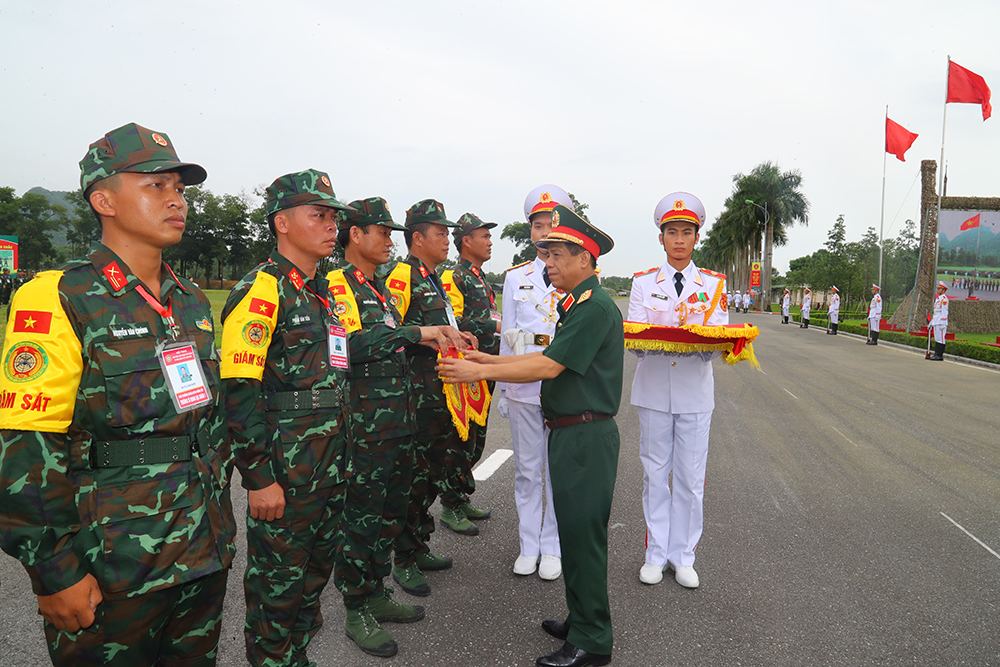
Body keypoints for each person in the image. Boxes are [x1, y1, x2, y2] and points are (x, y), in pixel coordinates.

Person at [0, 123, 236, 665]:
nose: (175, 198)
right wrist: (53, 571)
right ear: (103, 199)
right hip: (112, 564)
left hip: (203, 549)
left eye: (179, 187)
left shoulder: (191, 301)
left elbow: (206, 420)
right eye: (155, 185)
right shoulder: (60, 295)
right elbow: (26, 450)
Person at [439, 203, 620, 667]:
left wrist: (474, 372)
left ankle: (593, 641)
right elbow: (544, 359)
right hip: (570, 432)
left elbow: (547, 365)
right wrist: (484, 363)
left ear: (586, 258)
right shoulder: (576, 303)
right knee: (577, 533)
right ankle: (580, 619)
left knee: (583, 537)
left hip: (585, 436)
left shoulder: (594, 307)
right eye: (547, 253)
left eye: (559, 253)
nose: (550, 263)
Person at [220, 169, 352, 666]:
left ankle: (296, 654)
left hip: (330, 466)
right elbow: (239, 390)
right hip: (286, 473)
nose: (330, 225)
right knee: (278, 583)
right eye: (317, 214)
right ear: (282, 222)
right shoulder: (262, 289)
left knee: (315, 574)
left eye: (333, 216)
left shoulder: (322, 293)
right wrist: (258, 476)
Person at [328, 197, 466, 657]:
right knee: (362, 520)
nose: (390, 240)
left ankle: (376, 592)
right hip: (365, 427)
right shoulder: (338, 285)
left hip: (398, 422)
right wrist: (418, 333)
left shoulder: (378, 288)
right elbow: (349, 344)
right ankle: (355, 608)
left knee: (388, 516)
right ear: (356, 235)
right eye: (382, 231)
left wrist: (438, 334)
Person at [628, 192, 727, 592]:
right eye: (672, 232)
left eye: (687, 232)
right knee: (655, 476)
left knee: (690, 479)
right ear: (662, 238)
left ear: (696, 237)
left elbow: (718, 339)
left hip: (694, 393)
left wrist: (692, 337)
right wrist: (665, 334)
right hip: (653, 391)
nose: (680, 239)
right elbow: (634, 337)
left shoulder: (715, 284)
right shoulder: (642, 283)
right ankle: (655, 554)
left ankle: (683, 556)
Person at [386, 199, 478, 596]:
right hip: (416, 395)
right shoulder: (402, 275)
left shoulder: (434, 277)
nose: (447, 239)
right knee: (413, 478)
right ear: (418, 237)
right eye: (440, 233)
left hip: (440, 392)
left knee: (431, 475)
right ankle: (403, 558)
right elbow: (392, 334)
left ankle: (419, 544)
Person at [498, 184, 572, 581]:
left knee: (557, 471)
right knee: (527, 470)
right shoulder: (516, 278)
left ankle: (552, 546)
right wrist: (504, 387)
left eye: (551, 225)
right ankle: (529, 545)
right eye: (538, 226)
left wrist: (539, 344)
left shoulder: (575, 273)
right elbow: (508, 335)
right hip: (525, 387)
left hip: (563, 388)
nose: (544, 234)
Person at [441, 212, 500, 528]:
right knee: (460, 438)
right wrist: (494, 324)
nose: (490, 241)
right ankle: (450, 503)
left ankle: (461, 497)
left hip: (486, 366)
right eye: (484, 236)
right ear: (466, 240)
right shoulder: (455, 277)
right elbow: (453, 324)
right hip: (466, 370)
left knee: (476, 439)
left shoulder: (481, 278)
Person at [928, 281, 949, 361]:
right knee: (937, 338)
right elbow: (936, 313)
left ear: (943, 290)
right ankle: (936, 354)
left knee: (941, 339)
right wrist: (931, 322)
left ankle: (940, 355)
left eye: (939, 288)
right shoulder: (938, 299)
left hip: (941, 323)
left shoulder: (944, 299)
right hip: (936, 322)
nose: (938, 290)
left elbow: (944, 312)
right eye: (938, 288)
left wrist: (943, 322)